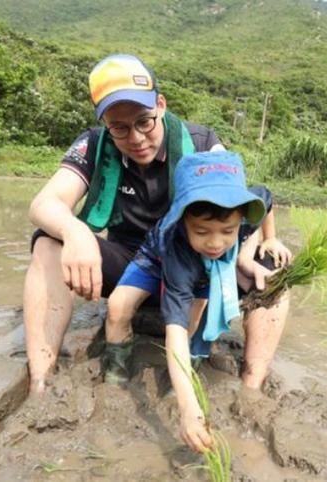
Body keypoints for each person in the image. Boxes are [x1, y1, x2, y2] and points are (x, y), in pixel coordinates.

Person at [23, 54, 227, 393]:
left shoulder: (202, 144)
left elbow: (232, 206)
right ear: (105, 122)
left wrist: (264, 242)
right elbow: (44, 203)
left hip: (188, 269)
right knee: (48, 240)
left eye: (144, 121)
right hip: (126, 270)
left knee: (269, 264)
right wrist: (76, 232)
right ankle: (40, 380)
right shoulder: (94, 144)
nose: (135, 137)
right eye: (119, 127)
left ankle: (252, 383)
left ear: (160, 105)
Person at [105, 151, 291, 453]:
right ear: (182, 220)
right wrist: (189, 409)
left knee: (195, 317)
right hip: (154, 258)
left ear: (241, 217)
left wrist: (270, 237)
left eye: (227, 232)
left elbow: (265, 198)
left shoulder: (243, 210)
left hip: (204, 269)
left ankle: (185, 371)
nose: (216, 242)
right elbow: (173, 331)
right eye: (202, 231)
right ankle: (115, 373)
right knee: (117, 309)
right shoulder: (180, 251)